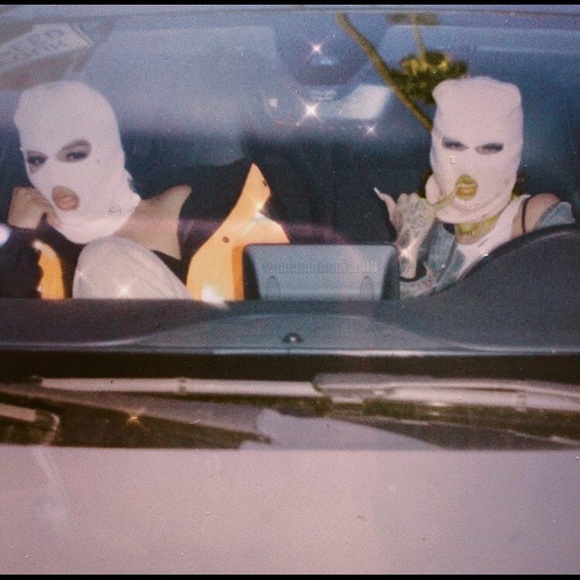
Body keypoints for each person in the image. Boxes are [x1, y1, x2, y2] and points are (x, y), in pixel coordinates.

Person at [0, 80, 330, 300]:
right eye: (37, 160)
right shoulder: (38, 251)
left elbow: (337, 287)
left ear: (110, 148)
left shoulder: (248, 192)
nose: (55, 174)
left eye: (74, 154)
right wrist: (17, 240)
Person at [376, 75, 576, 299]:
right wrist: (407, 242)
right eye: (455, 146)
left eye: (489, 149)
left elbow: (564, 301)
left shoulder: (533, 217)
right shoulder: (429, 227)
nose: (469, 166)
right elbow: (401, 315)